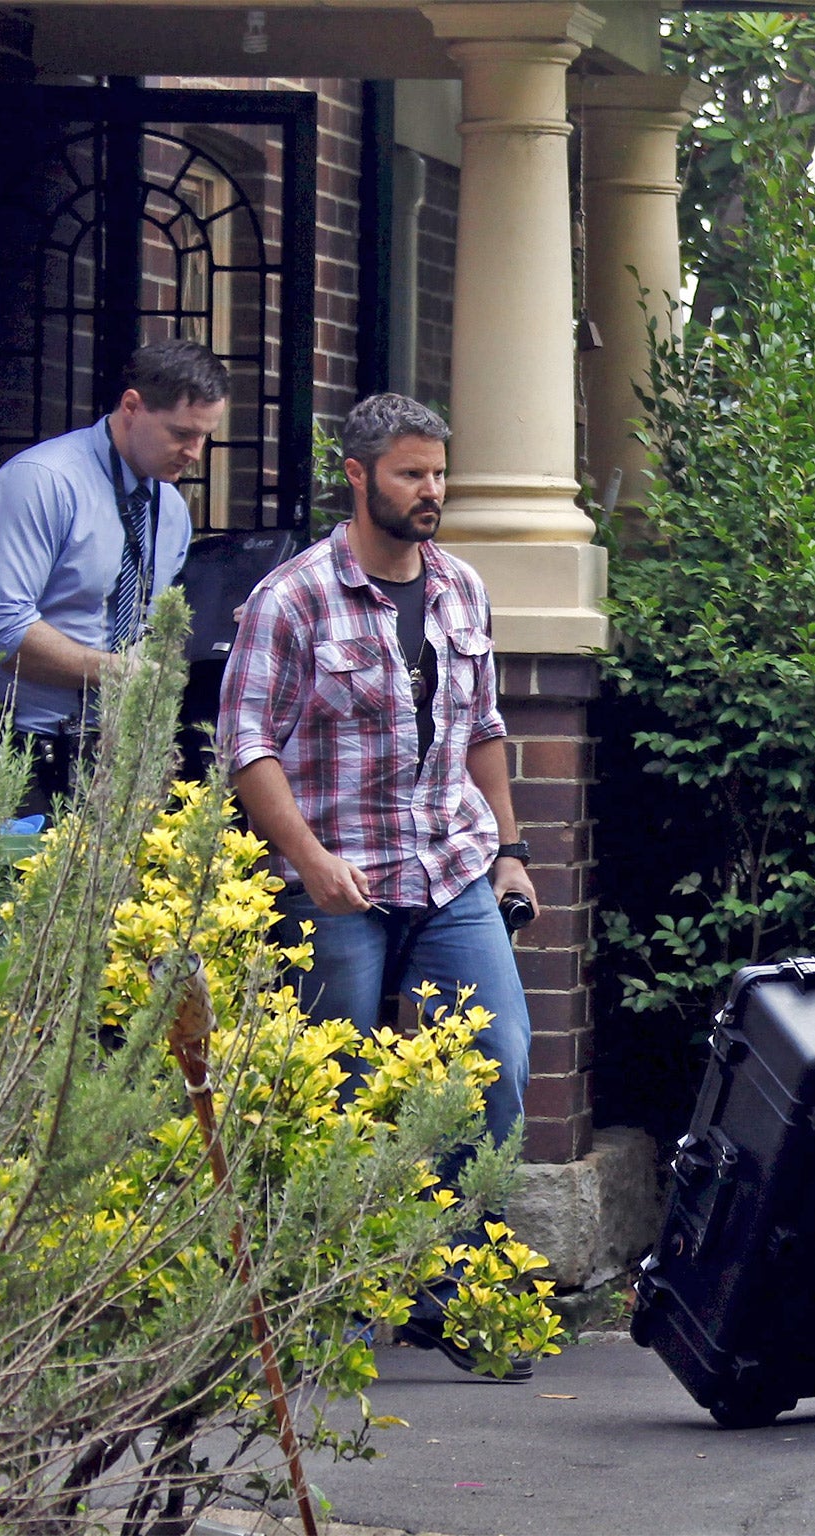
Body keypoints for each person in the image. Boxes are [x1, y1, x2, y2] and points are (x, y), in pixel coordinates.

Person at [217, 392, 537, 1379]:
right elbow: (246, 747)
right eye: (410, 474)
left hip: (450, 867)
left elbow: (482, 731)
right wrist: (308, 860)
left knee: (496, 1061)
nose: (430, 491)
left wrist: (512, 851)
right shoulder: (293, 598)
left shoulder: (459, 589)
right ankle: (331, 1305)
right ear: (357, 477)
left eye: (438, 472)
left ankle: (452, 1294)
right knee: (336, 1082)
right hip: (336, 881)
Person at [0, 338, 229, 813]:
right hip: (19, 755)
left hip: (116, 758)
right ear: (132, 406)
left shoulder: (170, 509)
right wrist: (119, 672)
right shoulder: (40, 481)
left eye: (205, 436)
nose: (195, 452)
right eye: (181, 434)